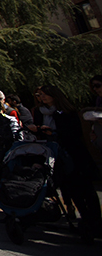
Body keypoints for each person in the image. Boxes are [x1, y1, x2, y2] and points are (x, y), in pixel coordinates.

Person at [30, 84, 102, 240]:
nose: (42, 97)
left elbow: (74, 134)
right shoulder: (40, 113)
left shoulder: (66, 112)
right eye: (40, 94)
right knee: (71, 188)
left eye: (44, 94)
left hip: (73, 154)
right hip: (53, 154)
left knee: (87, 189)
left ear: (54, 95)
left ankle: (95, 222)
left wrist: (54, 132)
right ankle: (84, 220)